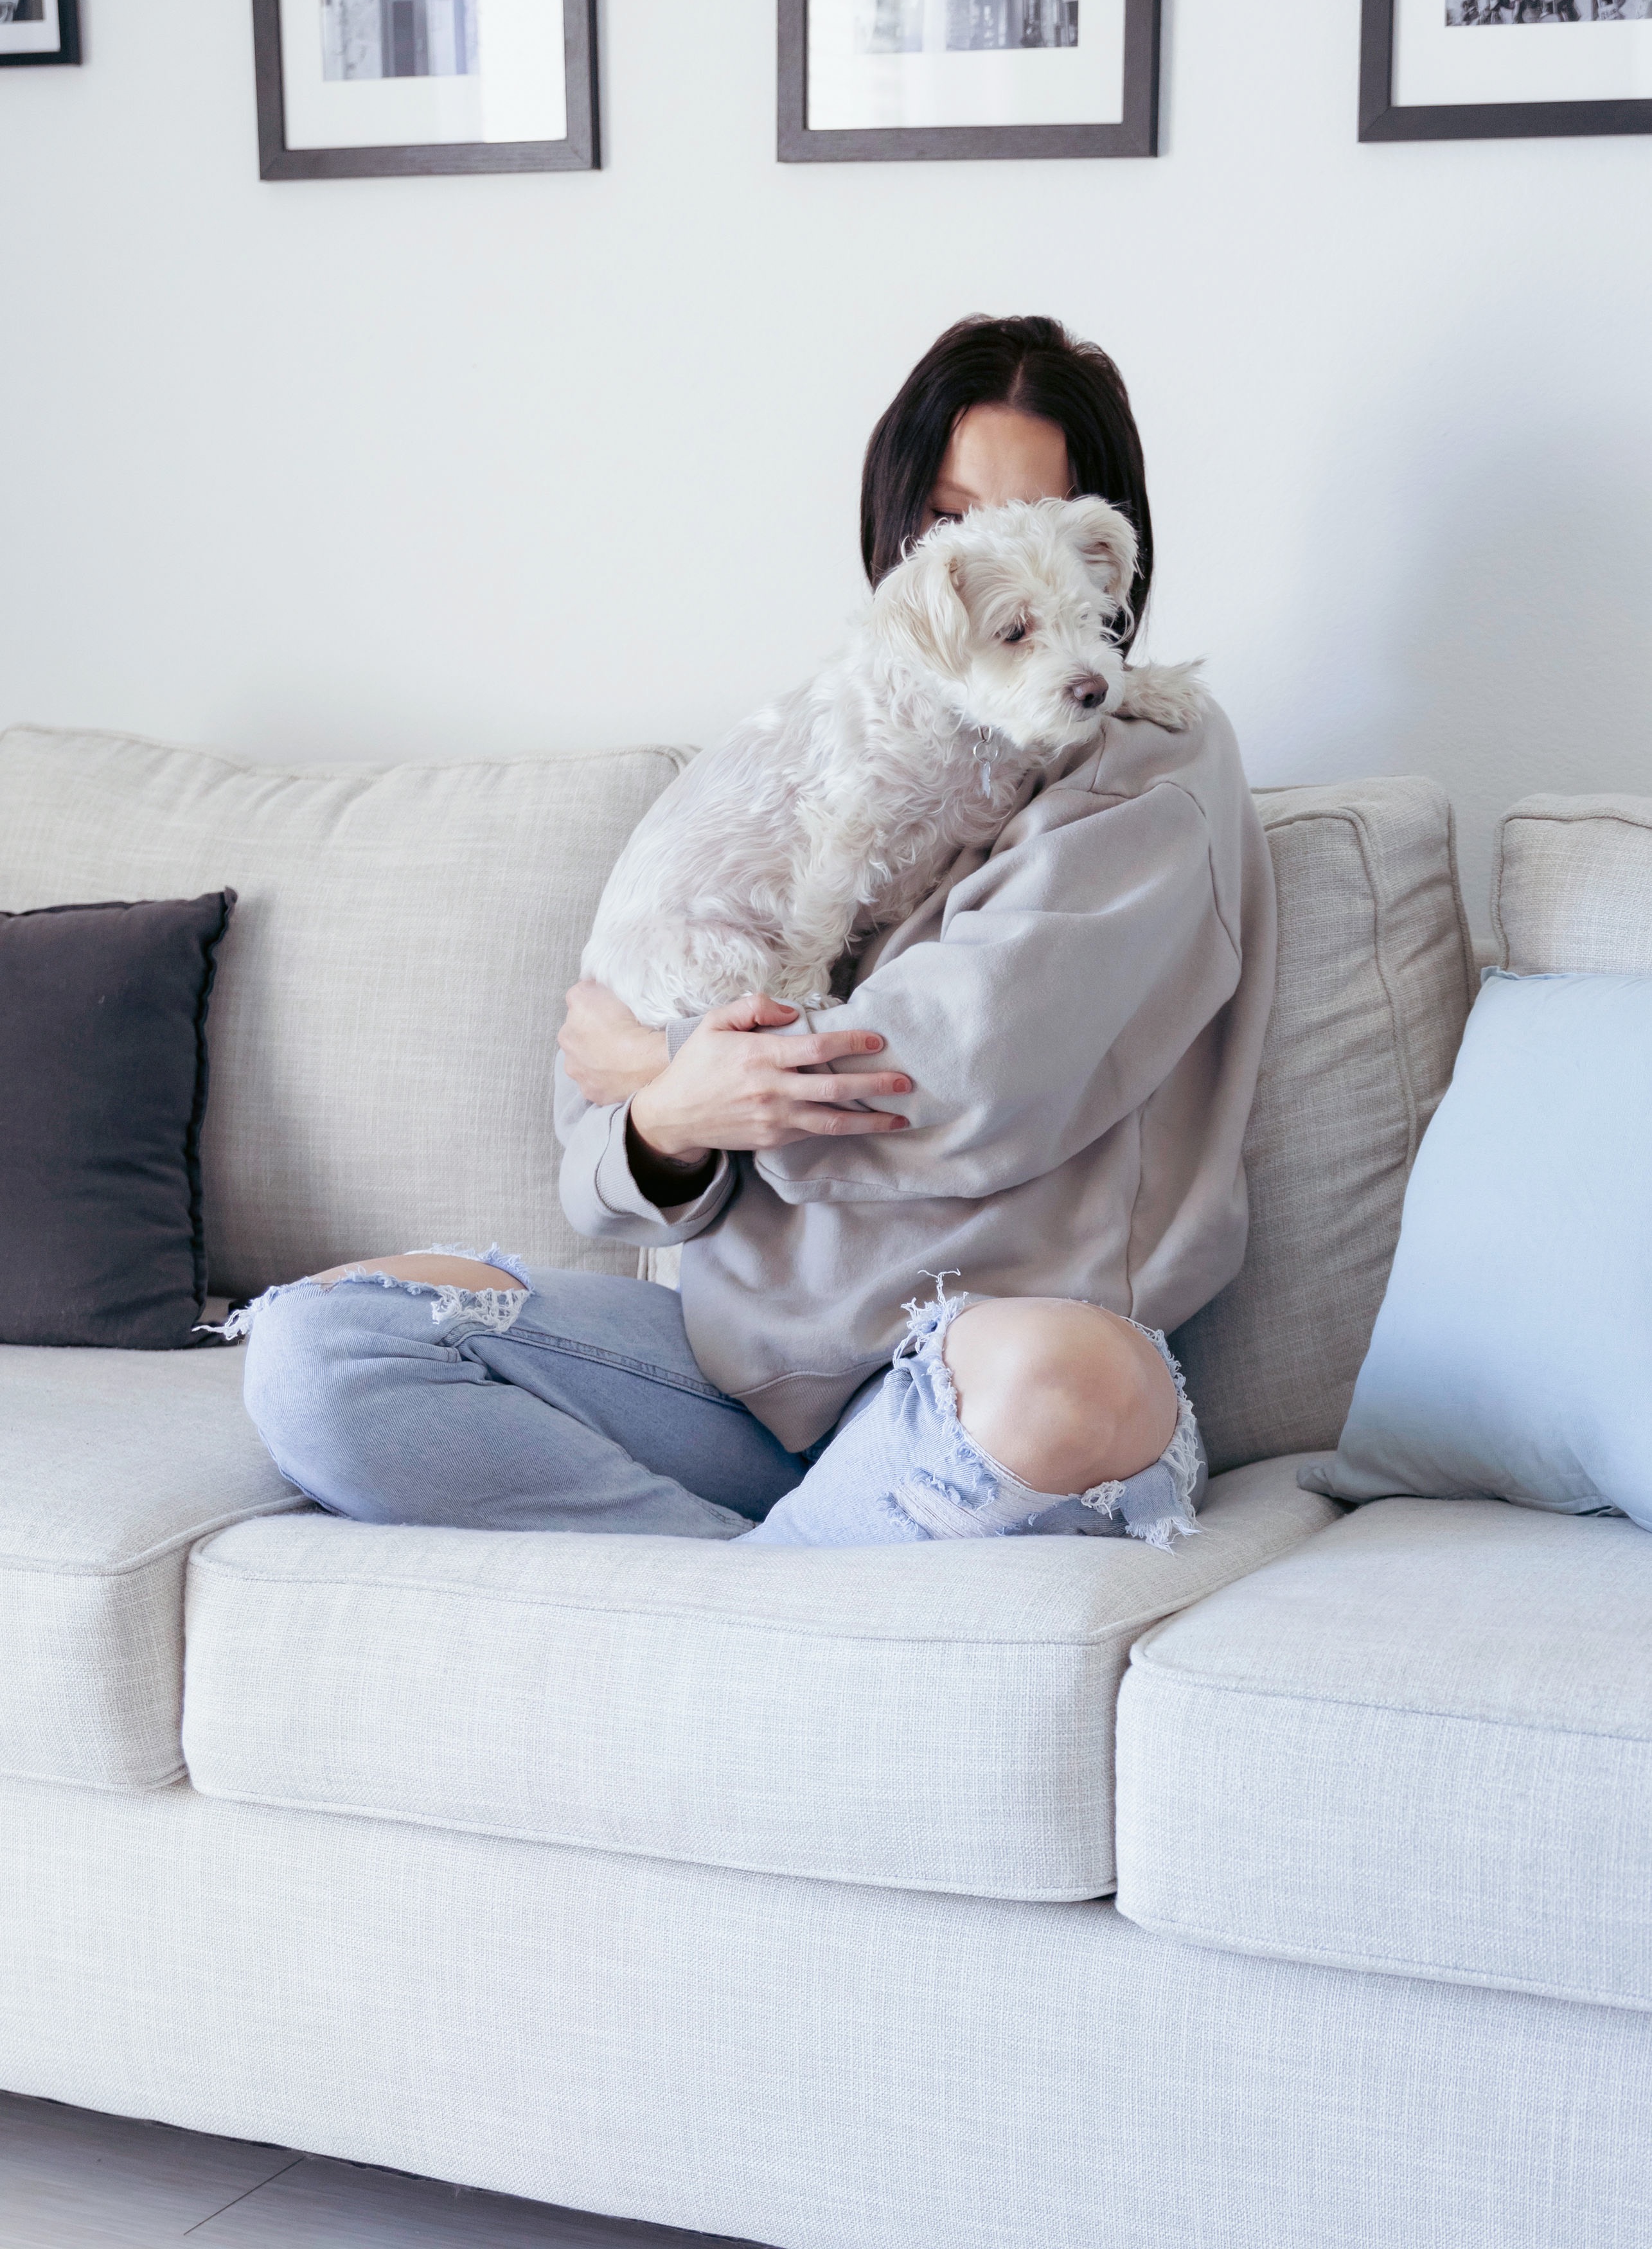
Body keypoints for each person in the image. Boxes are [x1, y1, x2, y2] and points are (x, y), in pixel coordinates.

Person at [236, 316, 1277, 1550]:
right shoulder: (815, 749)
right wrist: (672, 1112)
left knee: (1072, 1383)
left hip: (981, 1378)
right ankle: (775, 1577)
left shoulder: (1154, 760)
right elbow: (596, 1141)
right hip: (732, 1381)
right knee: (320, 1347)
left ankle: (727, 1586)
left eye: (1028, 518)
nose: (987, 553)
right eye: (947, 519)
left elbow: (967, 1070)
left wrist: (676, 1063)